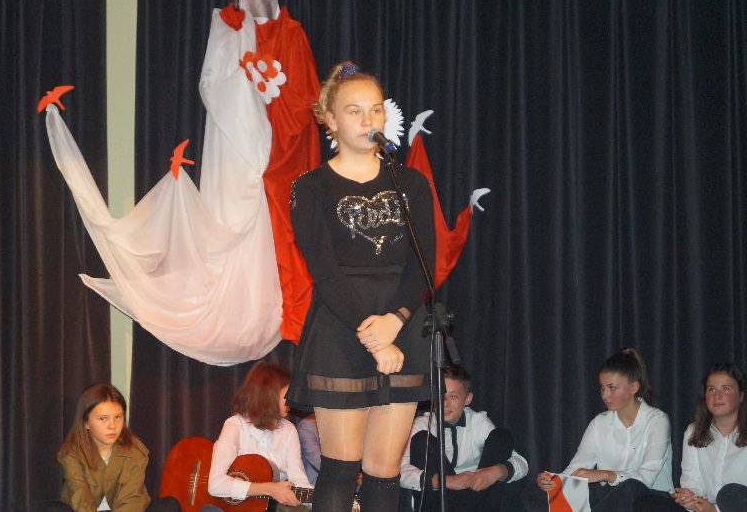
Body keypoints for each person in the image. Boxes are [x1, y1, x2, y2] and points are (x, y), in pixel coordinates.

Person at [285, 60, 436, 511]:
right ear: (330, 120)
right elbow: (324, 271)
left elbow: (423, 264)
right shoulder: (311, 187)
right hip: (342, 326)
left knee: (384, 470)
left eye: (375, 110)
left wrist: (396, 321)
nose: (368, 120)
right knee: (340, 465)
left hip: (401, 325)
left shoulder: (410, 183)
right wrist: (374, 335)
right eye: (355, 111)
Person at [522, 347, 673, 512]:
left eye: (612, 388)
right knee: (535, 493)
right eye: (602, 388)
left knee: (629, 488)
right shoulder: (599, 422)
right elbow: (577, 468)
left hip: (650, 498)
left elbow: (646, 478)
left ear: (633, 387)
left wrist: (607, 474)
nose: (604, 395)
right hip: (609, 498)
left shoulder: (657, 421)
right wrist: (553, 481)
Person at [400, 365, 529, 511]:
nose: (445, 403)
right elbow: (402, 472)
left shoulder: (478, 422)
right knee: (422, 440)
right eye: (439, 395)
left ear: (467, 399)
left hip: (476, 498)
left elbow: (521, 463)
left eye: (453, 396)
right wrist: (446, 481)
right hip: (439, 502)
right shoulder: (422, 424)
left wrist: (497, 471)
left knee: (501, 437)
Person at [48, 383, 179, 512]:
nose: (112, 425)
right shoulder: (72, 452)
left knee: (169, 505)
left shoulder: (135, 450)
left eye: (118, 417)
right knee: (54, 509)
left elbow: (131, 499)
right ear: (85, 422)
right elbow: (80, 496)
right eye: (103, 418)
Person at [635, 363, 747, 512]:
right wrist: (690, 498)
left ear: (741, 395)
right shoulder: (693, 431)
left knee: (731, 492)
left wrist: (715, 510)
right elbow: (692, 482)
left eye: (725, 389)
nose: (717, 396)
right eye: (711, 389)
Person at [205, 361, 312, 512]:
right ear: (269, 394)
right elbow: (215, 484)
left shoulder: (289, 430)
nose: (292, 400)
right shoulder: (235, 425)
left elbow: (299, 480)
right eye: (287, 394)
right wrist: (269, 489)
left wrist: (326, 500)